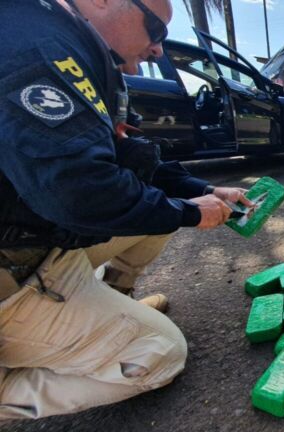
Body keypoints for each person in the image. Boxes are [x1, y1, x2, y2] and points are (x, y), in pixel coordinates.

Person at [0, 0, 251, 419]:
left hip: (45, 241)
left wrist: (207, 191)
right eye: (155, 29)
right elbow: (80, 192)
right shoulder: (30, 46)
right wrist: (190, 212)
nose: (158, 49)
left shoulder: (85, 55)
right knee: (160, 354)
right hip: (13, 275)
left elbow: (131, 161)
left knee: (157, 215)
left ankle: (113, 303)